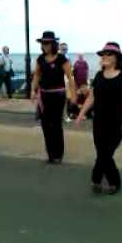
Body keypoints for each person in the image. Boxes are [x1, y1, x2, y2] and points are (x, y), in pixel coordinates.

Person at [75, 42, 122, 194]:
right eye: (103, 54)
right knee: (102, 151)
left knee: (106, 153)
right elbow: (91, 98)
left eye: (109, 54)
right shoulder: (98, 76)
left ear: (116, 58)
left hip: (118, 122)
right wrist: (81, 114)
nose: (105, 57)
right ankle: (99, 180)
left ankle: (107, 180)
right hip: (99, 121)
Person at [30, 31, 76, 164]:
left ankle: (58, 154)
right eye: (43, 43)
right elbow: (37, 75)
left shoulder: (62, 59)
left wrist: (73, 95)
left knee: (56, 125)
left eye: (47, 43)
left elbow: (70, 77)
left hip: (58, 95)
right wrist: (33, 90)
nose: (44, 45)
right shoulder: (40, 59)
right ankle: (50, 154)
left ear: (53, 43)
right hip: (44, 95)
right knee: (45, 125)